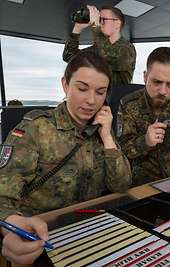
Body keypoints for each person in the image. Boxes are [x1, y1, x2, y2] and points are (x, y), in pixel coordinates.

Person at [0, 50, 132, 264]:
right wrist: (12, 226)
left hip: (89, 235)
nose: (91, 100)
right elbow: (2, 196)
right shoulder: (36, 129)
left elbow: (122, 184)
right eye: (82, 88)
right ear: (65, 84)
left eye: (100, 92)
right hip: (40, 238)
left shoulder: (102, 130)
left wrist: (107, 137)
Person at [119, 46, 170, 186]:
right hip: (146, 184)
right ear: (145, 77)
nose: (163, 91)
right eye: (157, 82)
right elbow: (122, 149)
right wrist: (145, 141)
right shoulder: (128, 105)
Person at [63, 5, 136, 85]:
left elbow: (108, 54)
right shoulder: (96, 49)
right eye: (99, 19)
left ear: (117, 24)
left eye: (103, 20)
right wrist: (77, 28)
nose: (100, 23)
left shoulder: (127, 49)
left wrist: (95, 24)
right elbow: (69, 57)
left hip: (117, 95)